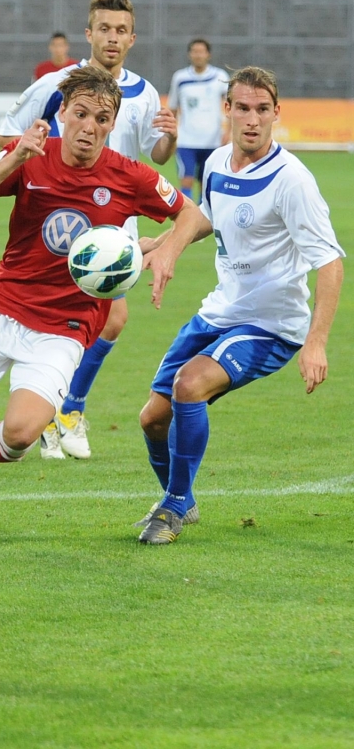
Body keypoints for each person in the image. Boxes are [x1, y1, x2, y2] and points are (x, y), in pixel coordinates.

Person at [0, 65, 204, 549]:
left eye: (102, 119)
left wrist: (166, 250)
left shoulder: (129, 175)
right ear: (63, 112)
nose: (89, 127)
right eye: (81, 114)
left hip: (63, 327)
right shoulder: (31, 154)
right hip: (1, 306)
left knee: (22, 435)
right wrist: (15, 156)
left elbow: (193, 215)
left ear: (112, 124)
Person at [134, 65, 345, 545]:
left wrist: (316, 343)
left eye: (262, 110)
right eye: (244, 108)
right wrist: (160, 243)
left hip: (272, 324)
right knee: (153, 418)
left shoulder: (292, 180)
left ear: (276, 113)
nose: (252, 120)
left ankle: (173, 506)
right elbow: (208, 217)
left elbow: (330, 262)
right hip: (220, 310)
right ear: (227, 109)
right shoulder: (216, 163)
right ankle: (181, 498)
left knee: (190, 386)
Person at [0, 0, 177, 461]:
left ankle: (63, 408)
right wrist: (42, 163)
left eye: (121, 31)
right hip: (60, 222)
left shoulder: (143, 93)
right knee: (89, 315)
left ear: (132, 38)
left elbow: (155, 154)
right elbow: (8, 131)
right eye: (104, 29)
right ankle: (56, 408)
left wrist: (170, 139)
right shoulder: (58, 84)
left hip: (117, 223)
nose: (112, 38)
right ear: (89, 33)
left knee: (111, 320)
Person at [167, 38, 230, 203]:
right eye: (195, 51)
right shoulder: (180, 78)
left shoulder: (220, 76)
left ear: (208, 54)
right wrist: (170, 135)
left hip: (212, 140)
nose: (198, 55)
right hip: (186, 140)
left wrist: (228, 131)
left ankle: (202, 215)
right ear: (189, 54)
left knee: (205, 183)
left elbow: (231, 106)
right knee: (186, 180)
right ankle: (187, 214)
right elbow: (173, 108)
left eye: (201, 52)